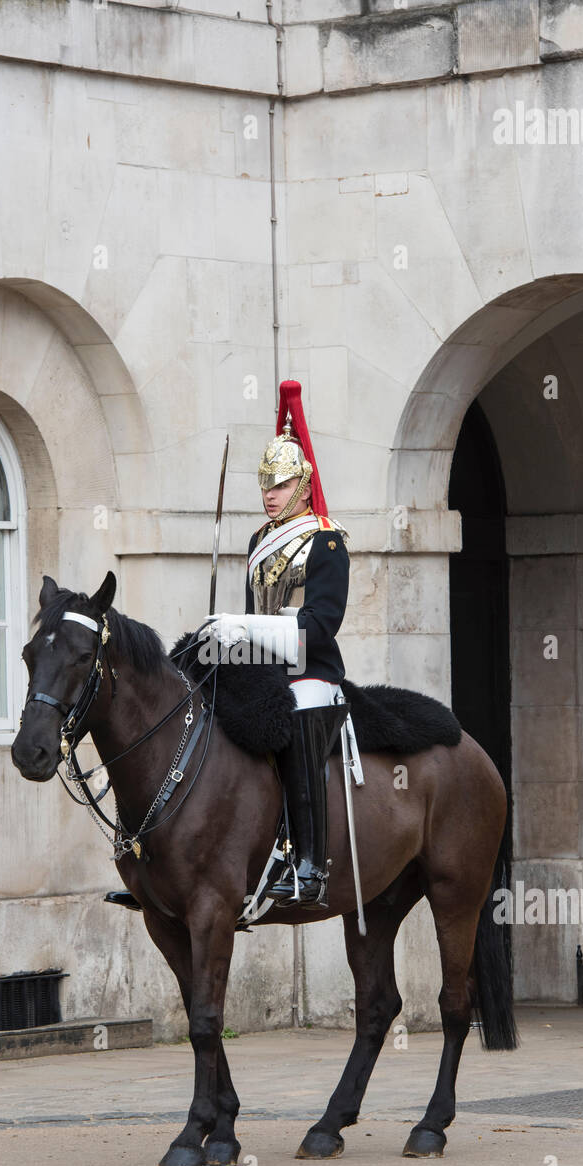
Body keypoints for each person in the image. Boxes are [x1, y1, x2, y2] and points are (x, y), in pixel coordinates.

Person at [205, 380, 350, 907]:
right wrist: (223, 639)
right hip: (264, 667)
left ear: (304, 484)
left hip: (314, 671)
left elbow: (318, 625)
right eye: (265, 483)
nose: (270, 493)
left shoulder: (326, 540)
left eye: (282, 484)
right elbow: (252, 614)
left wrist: (244, 630)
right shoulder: (257, 542)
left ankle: (309, 862)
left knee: (301, 714)